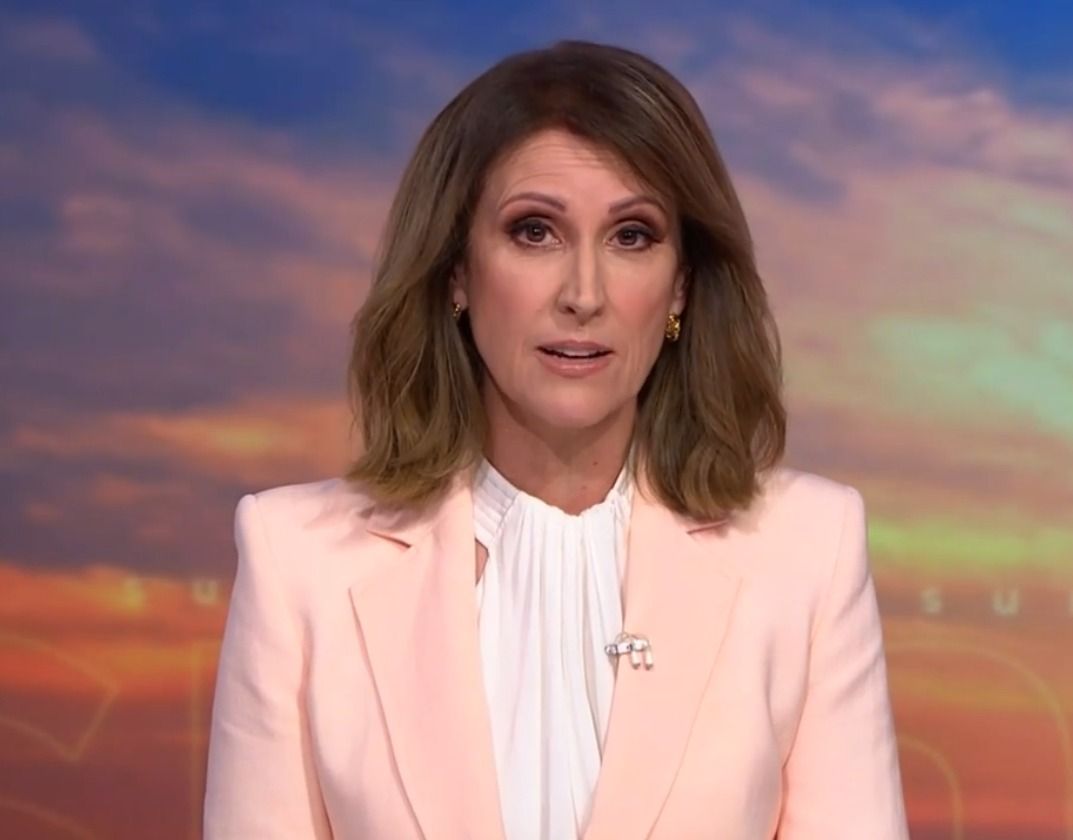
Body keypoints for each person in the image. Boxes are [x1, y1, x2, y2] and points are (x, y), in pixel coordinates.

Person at [203, 39, 909, 840]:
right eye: (534, 232)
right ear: (456, 271)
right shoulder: (298, 562)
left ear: (681, 284)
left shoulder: (807, 550)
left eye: (631, 236)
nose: (583, 294)